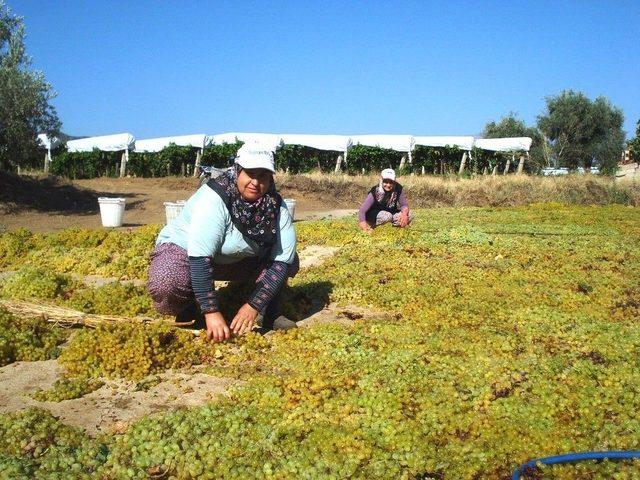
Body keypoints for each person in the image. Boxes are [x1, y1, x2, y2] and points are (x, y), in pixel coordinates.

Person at [147, 143, 298, 342]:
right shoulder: (215, 198)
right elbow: (200, 258)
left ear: (270, 178)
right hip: (188, 253)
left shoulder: (276, 206)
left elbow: (281, 262)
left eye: (263, 175)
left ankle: (269, 310)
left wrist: (253, 305)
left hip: (233, 260)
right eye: (250, 173)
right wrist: (211, 311)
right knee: (167, 281)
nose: (255, 181)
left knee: (289, 261)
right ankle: (191, 307)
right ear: (237, 171)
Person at [358, 168, 413, 232]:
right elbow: (362, 210)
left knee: (410, 214)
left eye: (391, 182)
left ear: (394, 181)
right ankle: (371, 224)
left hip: (390, 211)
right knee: (387, 216)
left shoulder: (398, 188)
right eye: (386, 182)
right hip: (374, 214)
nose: (388, 185)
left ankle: (396, 228)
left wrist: (404, 214)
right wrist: (363, 224)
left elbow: (404, 205)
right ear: (381, 181)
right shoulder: (375, 190)